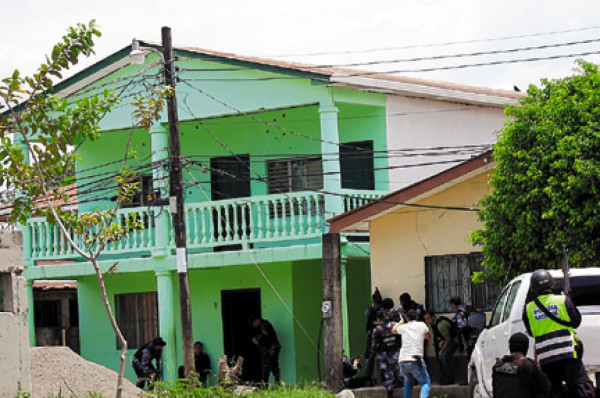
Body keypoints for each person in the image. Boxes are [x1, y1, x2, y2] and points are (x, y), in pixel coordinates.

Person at [522, 269, 595, 398]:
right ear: (551, 284)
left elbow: (532, 332)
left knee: (554, 391)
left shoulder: (529, 308)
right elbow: (576, 322)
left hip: (546, 359)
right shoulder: (563, 300)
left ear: (534, 288)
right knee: (582, 388)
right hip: (568, 354)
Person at [492, 332, 550, 398]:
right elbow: (545, 388)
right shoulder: (529, 365)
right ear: (526, 348)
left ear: (510, 347)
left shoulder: (498, 366)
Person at [393, 309, 431, 398]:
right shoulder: (422, 325)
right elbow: (428, 336)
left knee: (408, 382)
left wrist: (401, 321)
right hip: (415, 359)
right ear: (417, 317)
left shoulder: (404, 327)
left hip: (402, 360)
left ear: (407, 318)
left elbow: (393, 330)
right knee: (425, 382)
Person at [372, 298, 404, 398]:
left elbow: (374, 343)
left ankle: (390, 391)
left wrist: (376, 352)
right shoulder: (395, 325)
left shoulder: (377, 329)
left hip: (384, 354)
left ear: (379, 319)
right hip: (396, 353)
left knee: (387, 373)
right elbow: (401, 337)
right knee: (399, 370)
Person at [423, 311, 457, 385]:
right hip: (445, 341)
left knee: (444, 357)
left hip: (453, 341)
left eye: (428, 319)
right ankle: (443, 378)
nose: (427, 321)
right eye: (425, 319)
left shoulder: (440, 325)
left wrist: (441, 351)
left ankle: (449, 379)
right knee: (441, 358)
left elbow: (448, 339)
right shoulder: (433, 324)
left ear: (433, 317)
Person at [250, 316, 281, 385]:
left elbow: (265, 335)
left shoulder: (264, 325)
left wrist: (257, 340)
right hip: (272, 348)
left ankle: (265, 385)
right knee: (273, 366)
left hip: (271, 349)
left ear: (257, 320)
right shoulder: (264, 325)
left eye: (253, 323)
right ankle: (276, 382)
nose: (253, 325)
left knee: (266, 366)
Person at [365, 287, 383, 386]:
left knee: (370, 357)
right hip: (382, 338)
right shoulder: (383, 311)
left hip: (372, 338)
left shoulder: (370, 311)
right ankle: (384, 378)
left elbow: (367, 314)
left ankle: (368, 379)